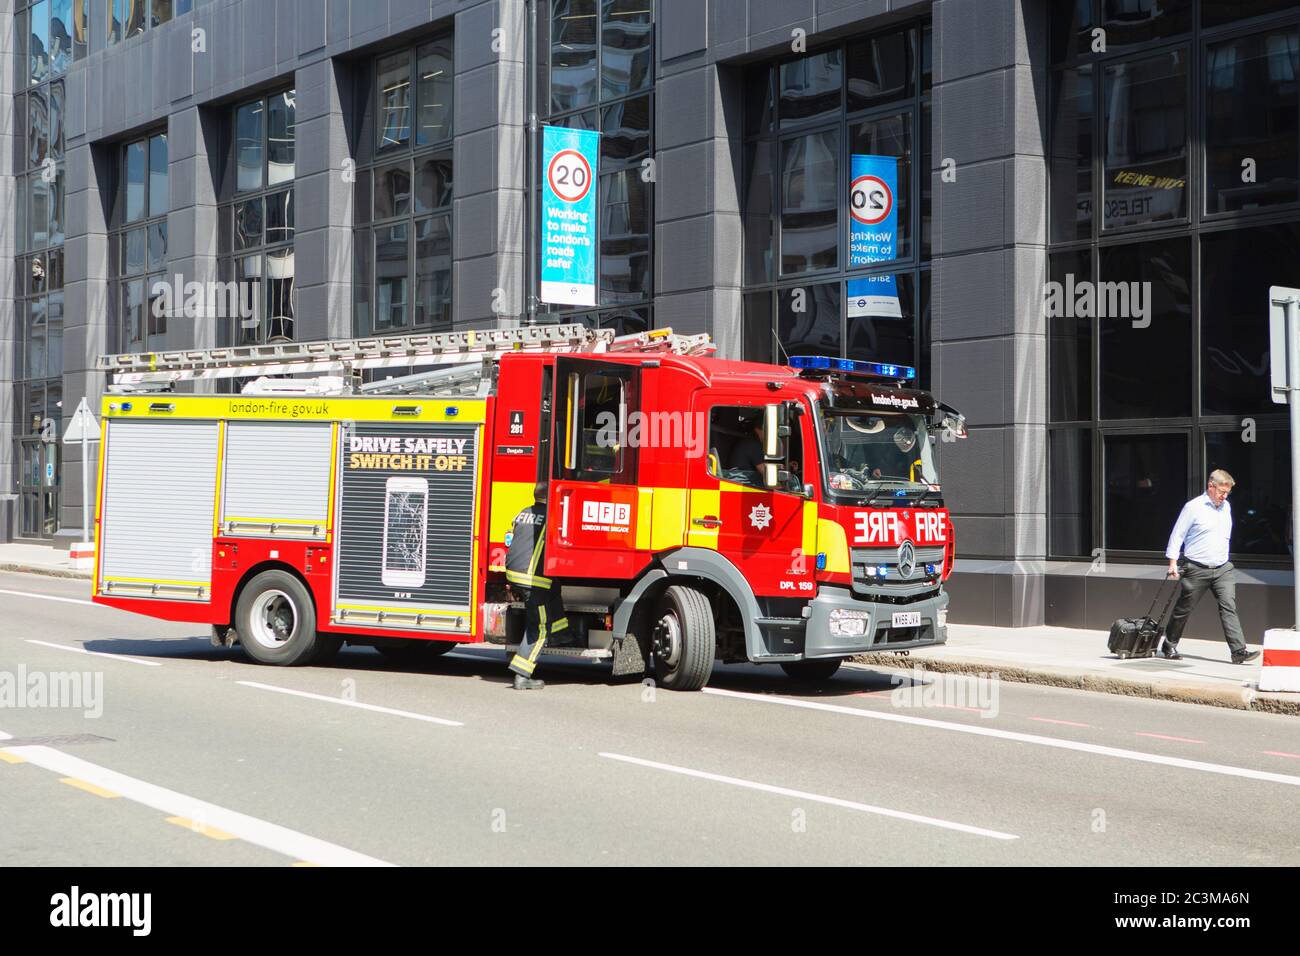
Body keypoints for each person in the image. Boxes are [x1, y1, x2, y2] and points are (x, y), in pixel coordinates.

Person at [1161, 469, 1260, 665]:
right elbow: (1178, 534)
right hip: (1197, 568)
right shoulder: (1193, 507)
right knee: (1184, 608)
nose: (1224, 496)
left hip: (1223, 568)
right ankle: (1169, 644)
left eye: (1227, 493)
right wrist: (1172, 563)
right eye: (1221, 491)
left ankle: (1238, 651)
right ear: (1210, 486)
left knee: (1228, 606)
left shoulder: (1226, 507)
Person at [504, 483, 569, 689]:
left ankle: (561, 633)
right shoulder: (551, 517)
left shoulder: (523, 512)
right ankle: (522, 675)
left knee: (555, 588)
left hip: (516, 575)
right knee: (539, 628)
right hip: (533, 580)